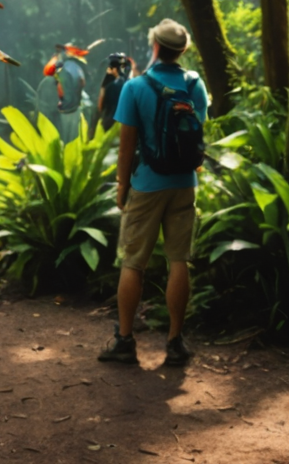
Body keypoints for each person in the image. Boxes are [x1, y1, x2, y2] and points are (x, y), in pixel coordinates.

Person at [99, 19, 207, 369]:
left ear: (155, 47)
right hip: (184, 184)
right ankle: (175, 343)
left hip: (146, 185)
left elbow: (126, 144)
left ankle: (125, 341)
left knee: (133, 262)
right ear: (183, 51)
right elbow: (197, 134)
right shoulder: (195, 85)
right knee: (179, 260)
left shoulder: (136, 87)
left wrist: (122, 186)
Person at [50, 45, 89, 140]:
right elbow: (82, 82)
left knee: (66, 136)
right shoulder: (75, 66)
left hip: (65, 108)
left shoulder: (63, 69)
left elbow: (60, 89)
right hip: (76, 106)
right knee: (75, 135)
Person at [97, 52, 133, 130]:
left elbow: (100, 106)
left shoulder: (110, 86)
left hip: (110, 121)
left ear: (114, 69)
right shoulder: (129, 83)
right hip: (126, 122)